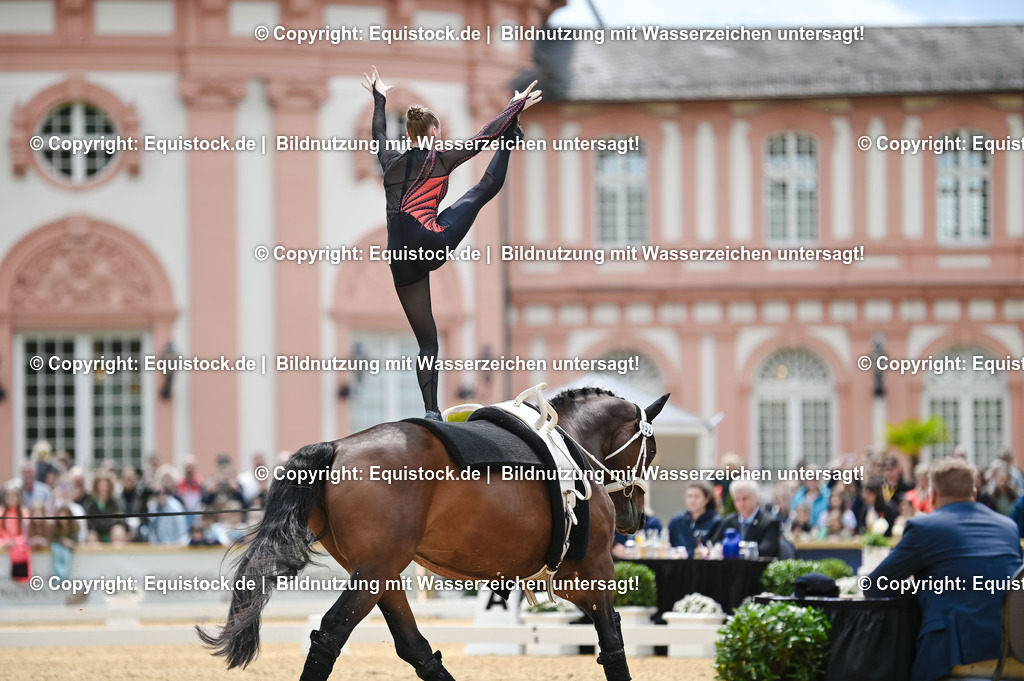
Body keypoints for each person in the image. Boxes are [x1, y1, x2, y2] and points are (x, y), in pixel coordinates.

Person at [362, 65, 541, 420]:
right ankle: (512, 142)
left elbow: (379, 133)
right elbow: (481, 137)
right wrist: (514, 107)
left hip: (400, 259)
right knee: (482, 189)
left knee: (427, 341)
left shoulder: (389, 162)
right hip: (431, 240)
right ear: (432, 131)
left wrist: (379, 97)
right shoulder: (440, 159)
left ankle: (431, 411)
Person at [865, 456, 1023, 681]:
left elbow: (874, 586)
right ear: (975, 494)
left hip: (954, 657)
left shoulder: (924, 527)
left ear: (933, 496)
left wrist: (919, 587)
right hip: (1014, 652)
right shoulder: (1008, 527)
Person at [708, 479, 781, 558]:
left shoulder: (769, 523)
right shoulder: (728, 521)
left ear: (756, 497)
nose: (741, 504)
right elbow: (713, 544)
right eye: (737, 499)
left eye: (745, 499)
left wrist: (735, 550)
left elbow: (766, 549)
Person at [667, 481, 721, 556]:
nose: (692, 501)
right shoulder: (676, 521)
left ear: (707, 499)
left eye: (697, 496)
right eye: (689, 496)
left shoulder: (716, 522)